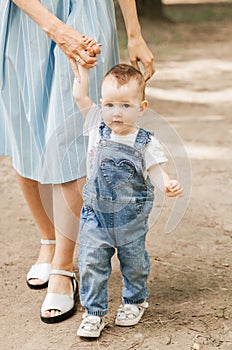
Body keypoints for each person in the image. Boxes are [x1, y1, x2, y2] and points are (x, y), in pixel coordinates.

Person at [0, 0, 155, 323]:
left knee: (76, 135)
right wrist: (54, 27)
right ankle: (48, 239)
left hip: (86, 12)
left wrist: (135, 32)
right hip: (21, 16)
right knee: (24, 133)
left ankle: (64, 265)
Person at [72, 63, 184, 338]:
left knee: (133, 261)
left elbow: (156, 170)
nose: (116, 113)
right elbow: (79, 96)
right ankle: (93, 312)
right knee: (91, 261)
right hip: (95, 214)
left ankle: (134, 301)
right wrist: (83, 73)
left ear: (141, 107)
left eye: (125, 105)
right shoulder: (97, 128)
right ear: (101, 105)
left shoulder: (145, 142)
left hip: (130, 217)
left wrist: (166, 184)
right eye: (109, 105)